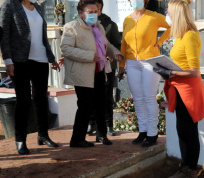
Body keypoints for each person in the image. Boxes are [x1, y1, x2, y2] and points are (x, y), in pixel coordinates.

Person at [155, 0, 204, 178]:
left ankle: (192, 174)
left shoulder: (191, 36)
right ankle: (185, 168)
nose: (166, 14)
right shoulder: (179, 35)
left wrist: (170, 73)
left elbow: (194, 71)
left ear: (177, 14)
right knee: (181, 130)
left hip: (189, 91)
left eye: (168, 12)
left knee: (190, 132)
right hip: (178, 89)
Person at [0, 0, 61, 155]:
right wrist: (7, 60)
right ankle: (20, 140)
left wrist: (51, 58)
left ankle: (43, 135)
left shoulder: (37, 7)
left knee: (41, 99)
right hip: (19, 60)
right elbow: (3, 34)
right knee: (24, 99)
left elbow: (42, 36)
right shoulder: (9, 5)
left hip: (40, 59)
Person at [61, 0, 123, 147]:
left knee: (101, 103)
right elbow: (66, 49)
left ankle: (101, 136)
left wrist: (116, 53)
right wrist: (88, 55)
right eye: (90, 12)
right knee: (85, 106)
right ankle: (77, 139)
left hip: (99, 71)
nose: (93, 15)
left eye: (96, 12)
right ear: (81, 13)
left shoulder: (98, 26)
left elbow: (106, 44)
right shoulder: (72, 27)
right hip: (82, 73)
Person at [118, 0, 171, 147]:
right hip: (131, 62)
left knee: (149, 97)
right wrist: (121, 65)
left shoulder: (154, 16)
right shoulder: (127, 19)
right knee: (137, 98)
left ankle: (152, 133)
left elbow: (173, 26)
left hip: (149, 60)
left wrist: (159, 42)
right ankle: (143, 131)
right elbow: (124, 43)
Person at [86, 0, 122, 137]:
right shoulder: (83, 23)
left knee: (106, 96)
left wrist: (113, 55)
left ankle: (108, 125)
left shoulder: (109, 24)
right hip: (90, 64)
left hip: (107, 66)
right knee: (90, 95)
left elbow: (116, 44)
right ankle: (91, 123)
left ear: (99, 6)